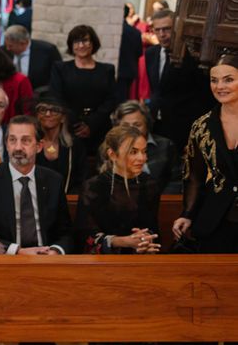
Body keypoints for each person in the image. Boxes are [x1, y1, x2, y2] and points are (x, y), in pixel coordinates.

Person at [0, 115, 73, 254]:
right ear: (6, 144)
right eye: (13, 140)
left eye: (26, 141)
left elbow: (65, 232)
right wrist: (17, 251)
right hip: (6, 261)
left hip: (46, 259)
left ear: (39, 146)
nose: (18, 147)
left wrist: (56, 251)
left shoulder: (53, 180)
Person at [173, 55, 238, 253]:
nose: (220, 86)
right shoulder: (202, 126)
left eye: (229, 79)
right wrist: (187, 214)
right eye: (214, 80)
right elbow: (194, 177)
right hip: (216, 222)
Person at [75, 124, 160, 254]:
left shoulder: (150, 184)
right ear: (113, 155)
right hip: (103, 260)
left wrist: (146, 239)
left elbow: (151, 228)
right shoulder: (94, 186)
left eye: (144, 151)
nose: (142, 158)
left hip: (140, 254)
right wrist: (122, 241)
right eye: (133, 152)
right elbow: (86, 236)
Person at [144, 9, 214, 153]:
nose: (162, 34)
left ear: (176, 28)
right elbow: (157, 89)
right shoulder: (151, 53)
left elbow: (203, 94)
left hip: (183, 126)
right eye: (158, 30)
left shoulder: (193, 56)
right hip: (156, 123)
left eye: (166, 29)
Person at [49, 24, 117, 153]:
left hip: (99, 126)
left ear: (93, 43)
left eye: (85, 40)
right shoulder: (60, 68)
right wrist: (77, 124)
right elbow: (56, 97)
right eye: (76, 41)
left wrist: (91, 125)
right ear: (71, 45)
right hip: (69, 127)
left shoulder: (107, 70)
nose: (81, 45)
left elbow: (111, 99)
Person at [111, 100, 178, 193]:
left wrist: (162, 201)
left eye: (137, 125)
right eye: (125, 126)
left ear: (147, 124)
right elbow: (106, 184)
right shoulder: (109, 148)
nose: (131, 130)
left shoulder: (166, 146)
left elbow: (175, 182)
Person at [34, 92, 87, 194]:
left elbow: (81, 180)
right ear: (37, 116)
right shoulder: (30, 144)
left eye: (54, 110)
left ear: (63, 118)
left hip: (68, 202)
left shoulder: (75, 146)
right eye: (43, 110)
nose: (48, 114)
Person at [2, 24, 61, 90]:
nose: (8, 48)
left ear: (23, 43)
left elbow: (57, 78)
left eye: (10, 46)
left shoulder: (48, 51)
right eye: (6, 45)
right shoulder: (3, 51)